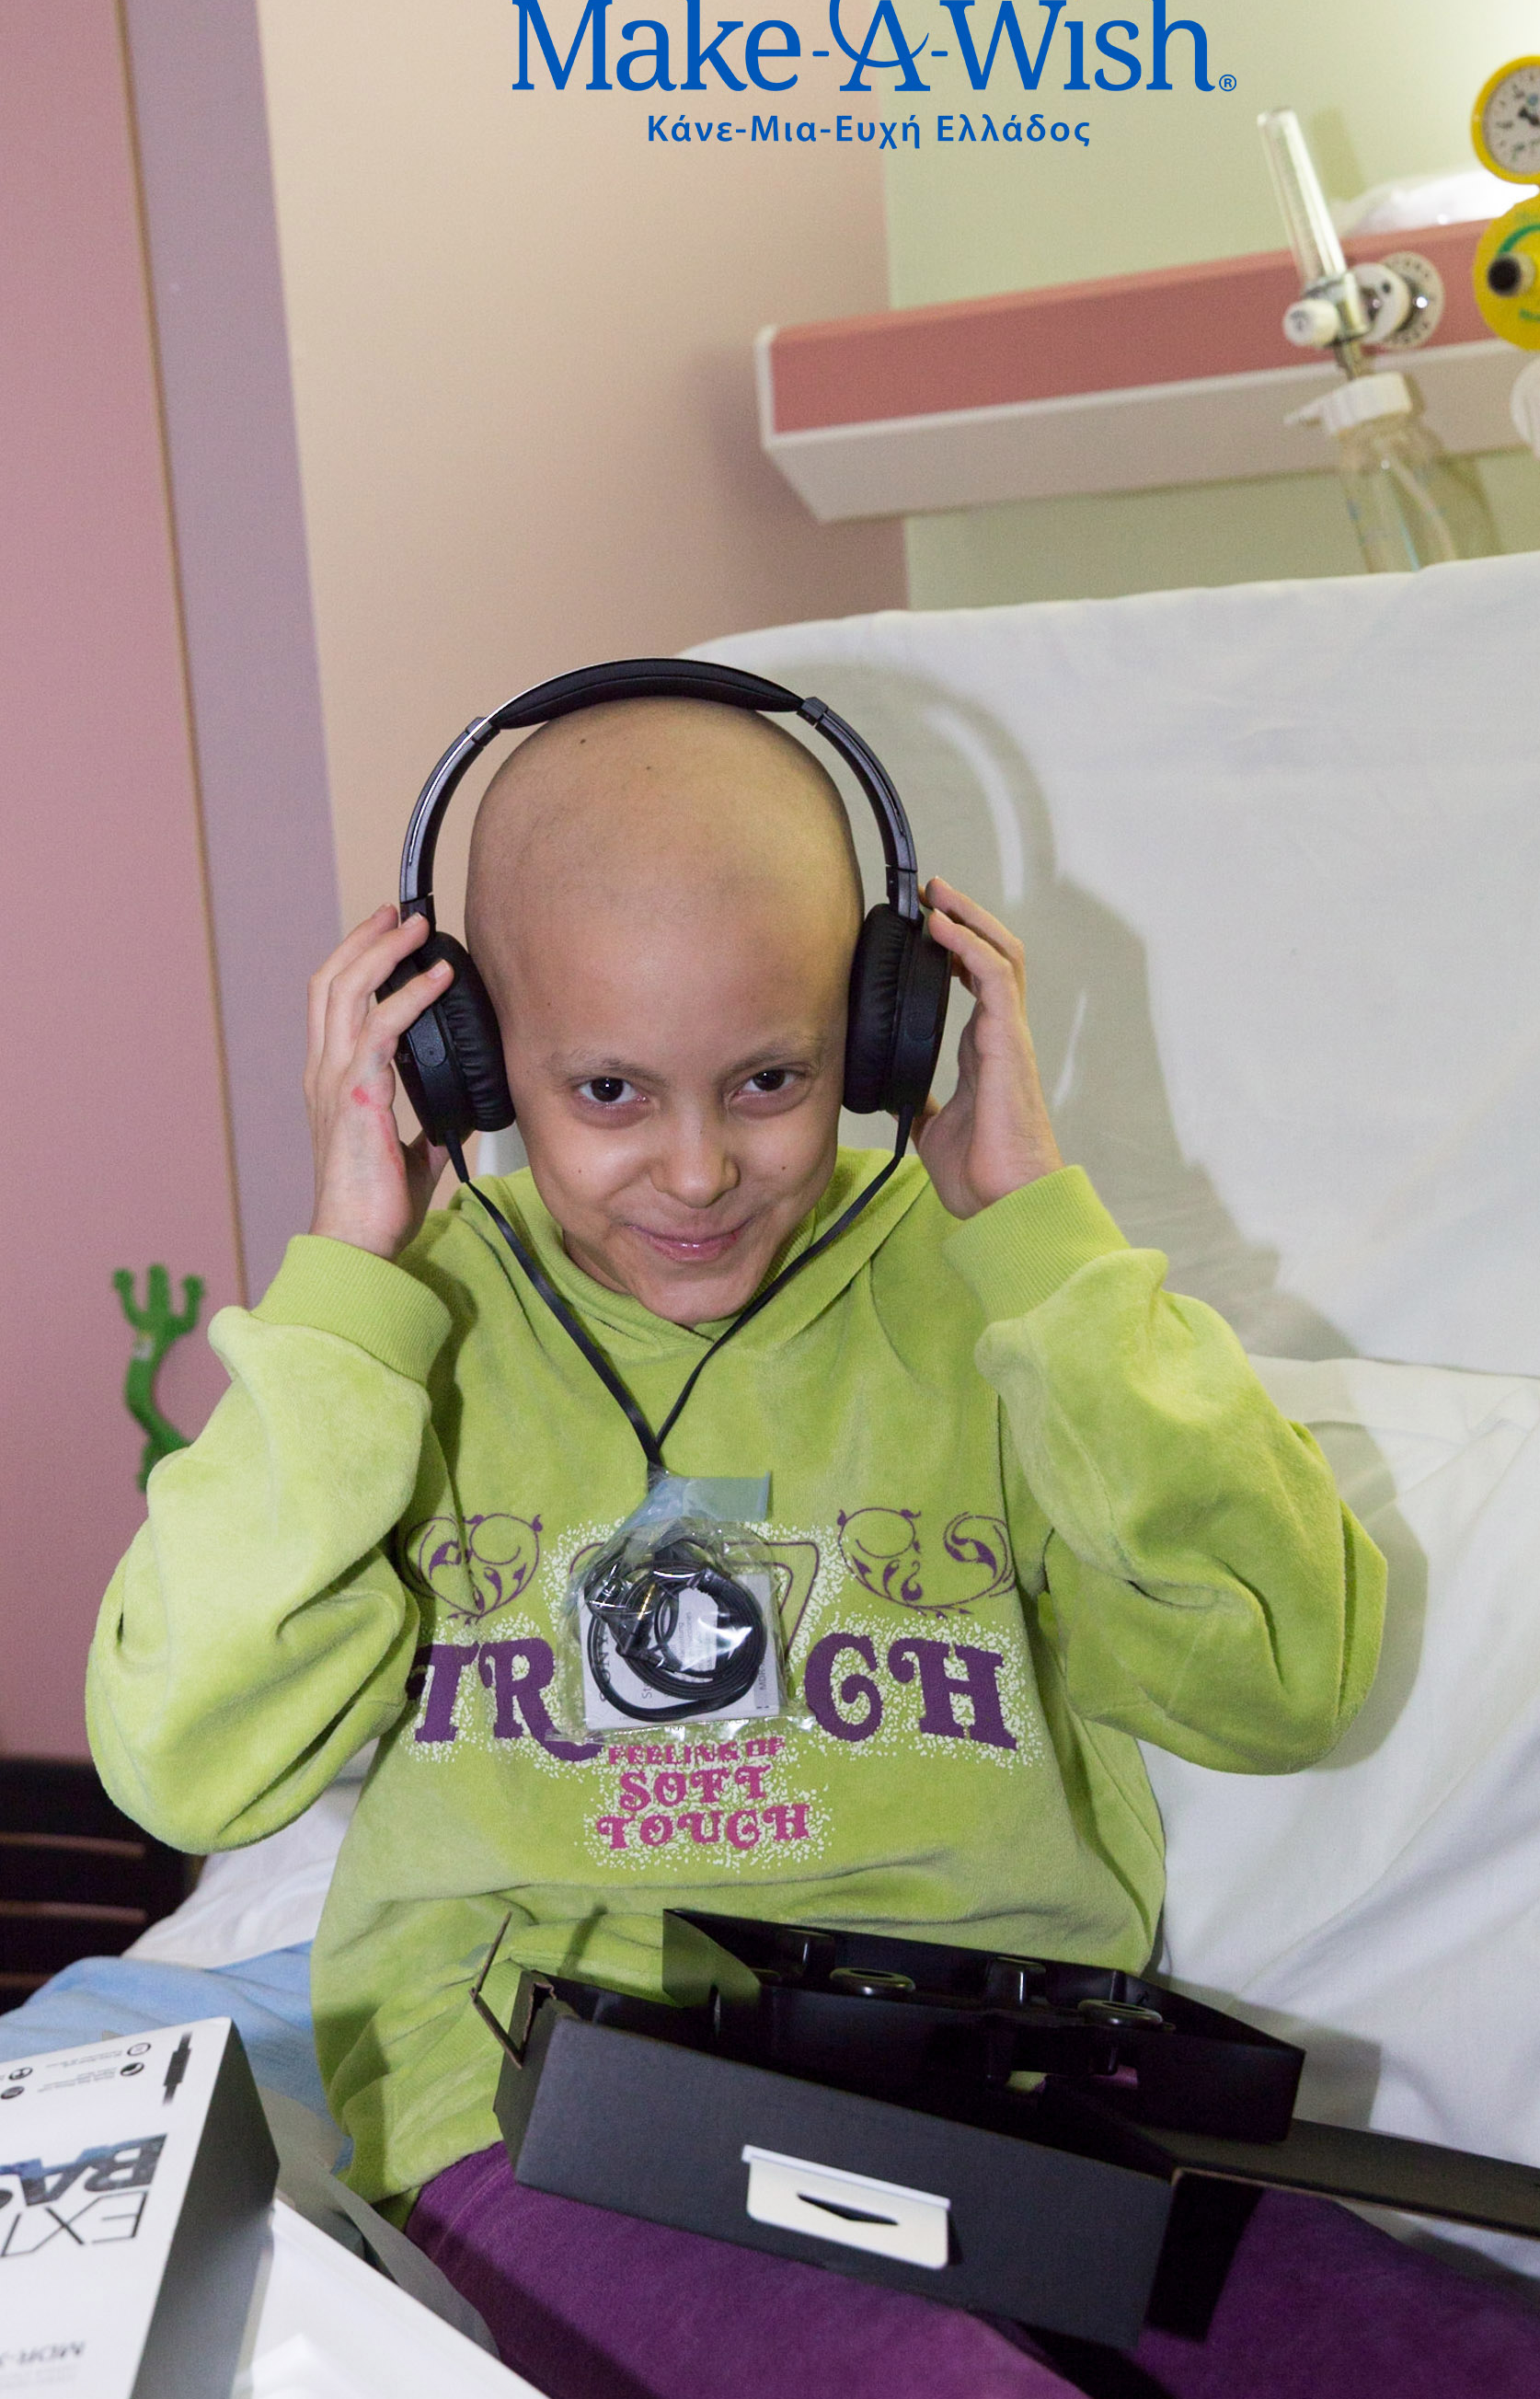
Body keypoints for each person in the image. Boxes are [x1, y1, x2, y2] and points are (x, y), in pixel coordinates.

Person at [86, 691, 1526, 2399]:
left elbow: (1284, 1679)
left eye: (770, 1080)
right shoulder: (404, 1336)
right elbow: (183, 1762)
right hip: (546, 2125)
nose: (698, 1170)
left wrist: (1039, 1241)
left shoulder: (1004, 1302)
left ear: (883, 1033)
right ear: (459, 1058)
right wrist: (346, 1283)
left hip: (1004, 2114)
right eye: (607, 1090)